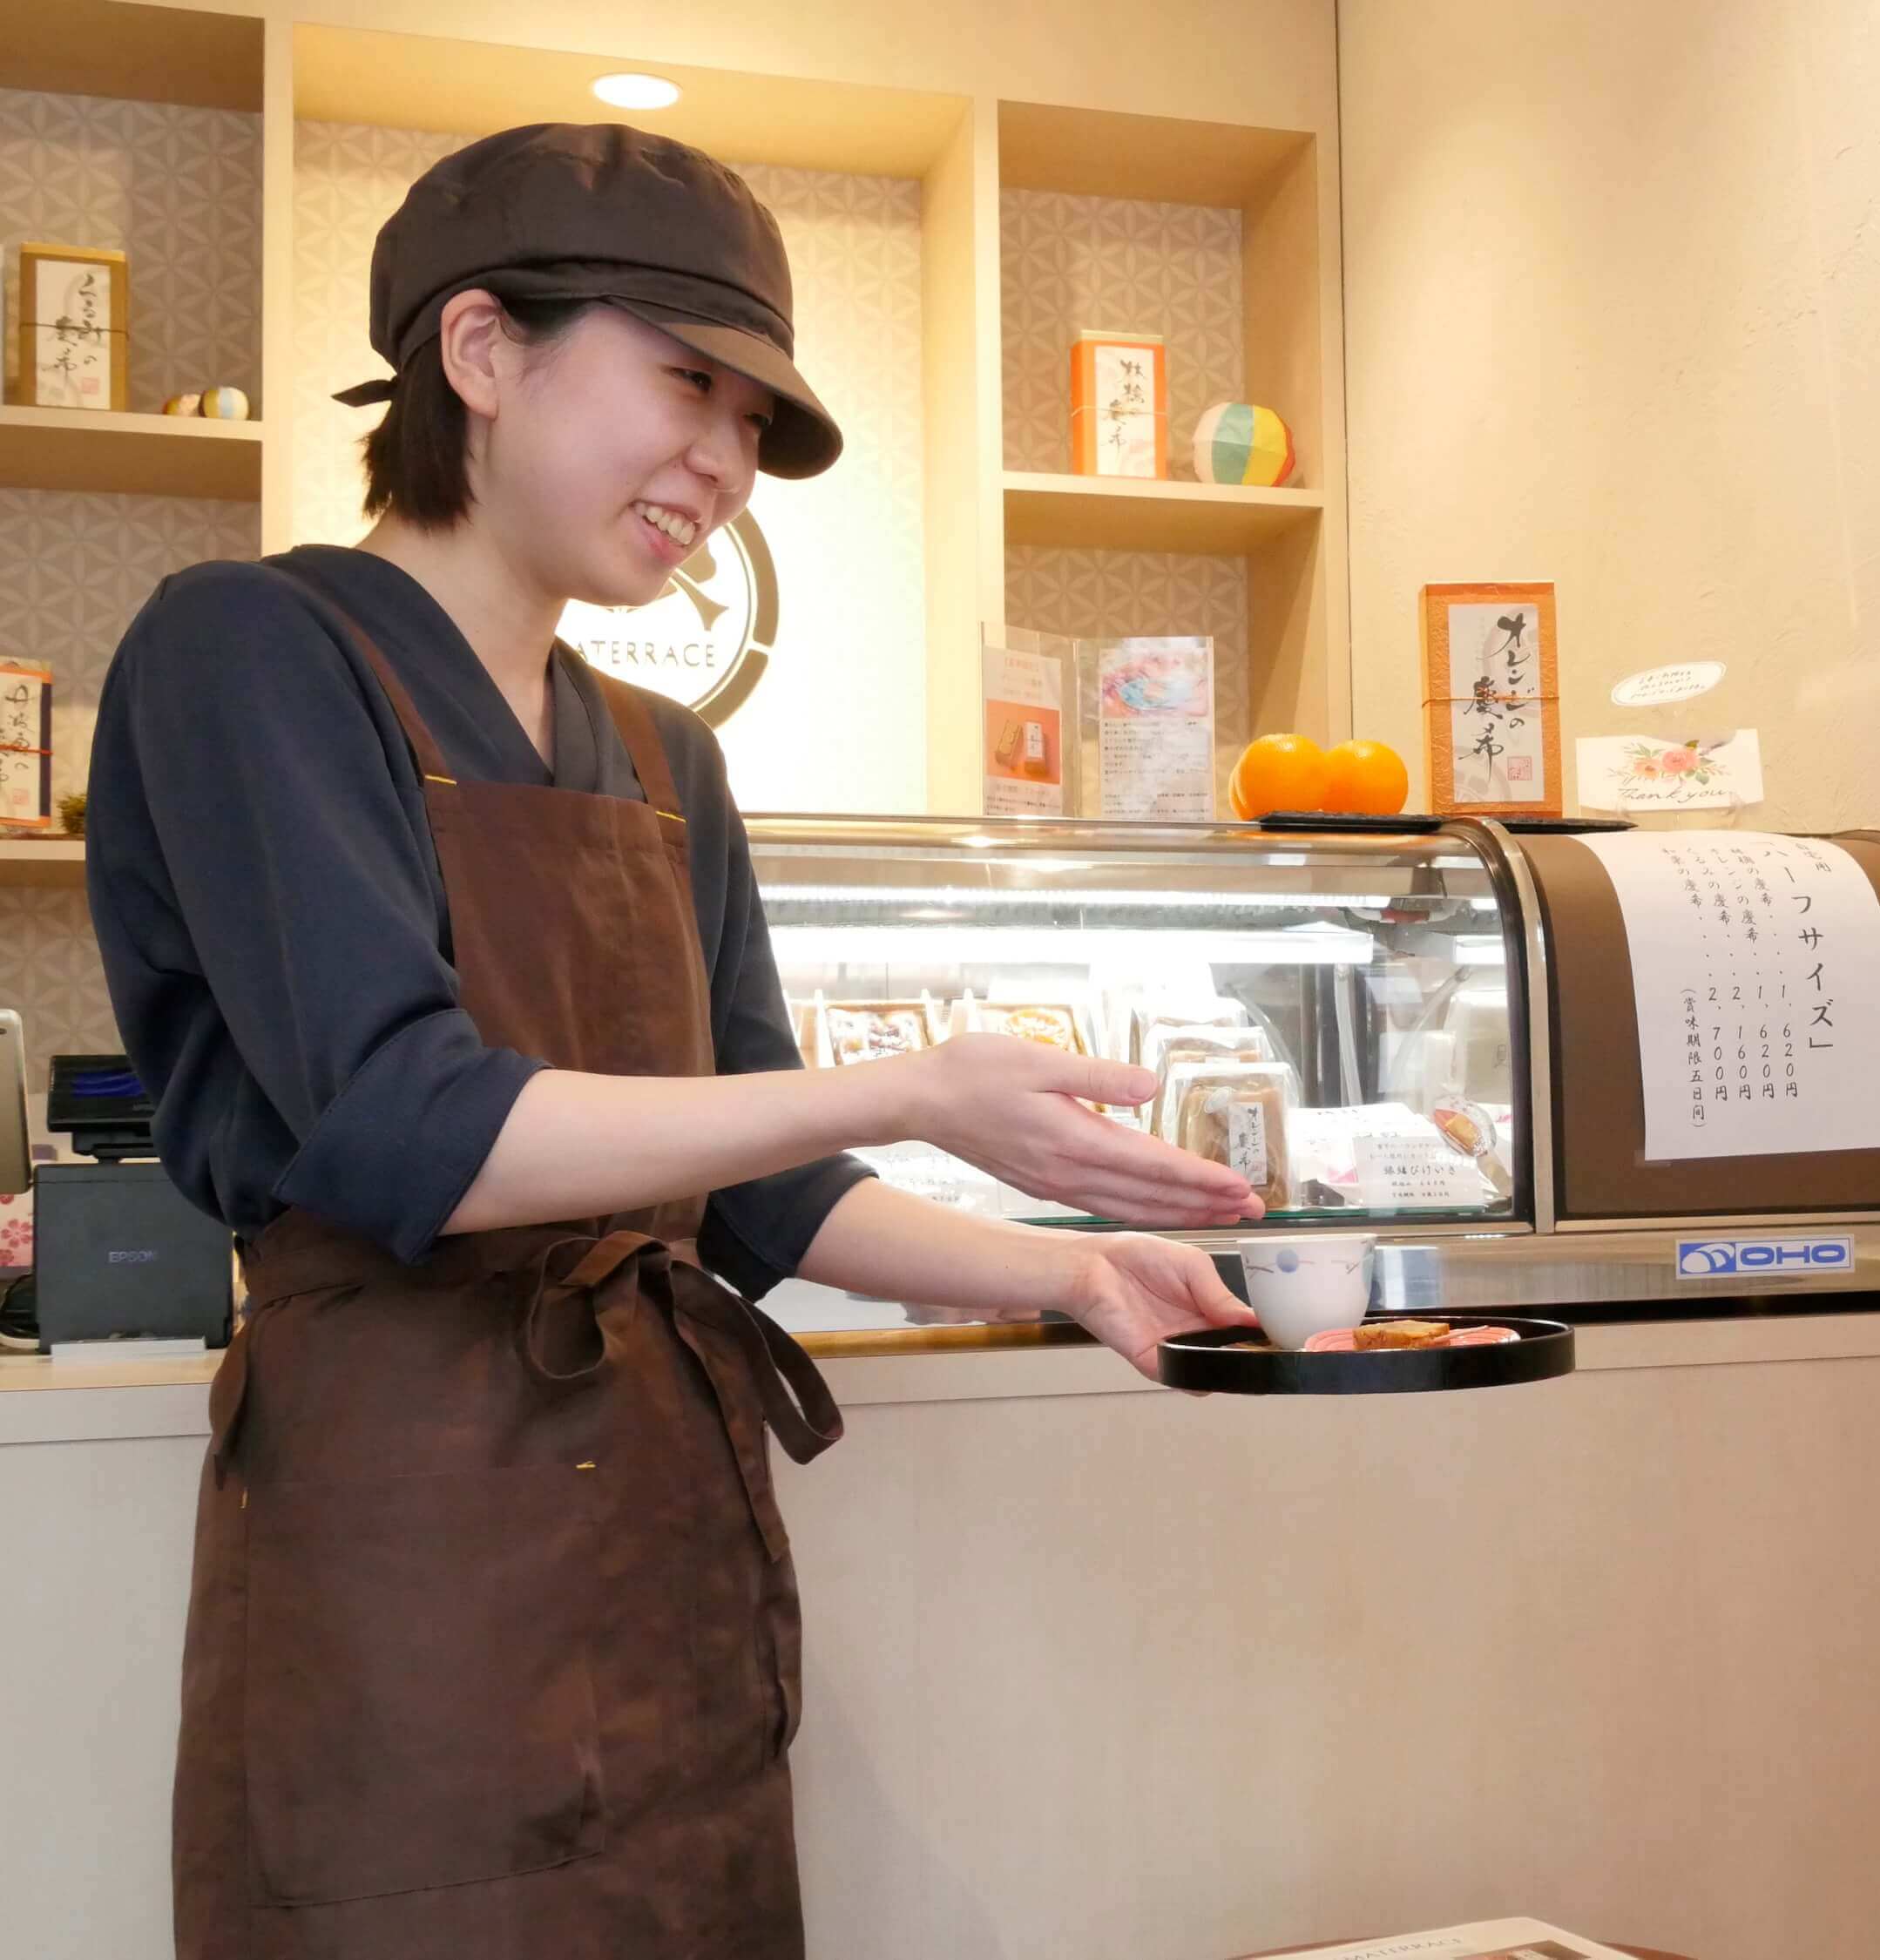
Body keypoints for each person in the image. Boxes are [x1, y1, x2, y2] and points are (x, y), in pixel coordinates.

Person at [85, 123, 1261, 1958]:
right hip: (408, 1531)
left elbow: (770, 1186)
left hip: (659, 1513)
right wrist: (924, 1083)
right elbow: (414, 1131)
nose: (722, 466)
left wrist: (1072, 1271)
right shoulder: (248, 648)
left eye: (753, 427)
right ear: (481, 352)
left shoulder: (663, 754)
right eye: (687, 387)